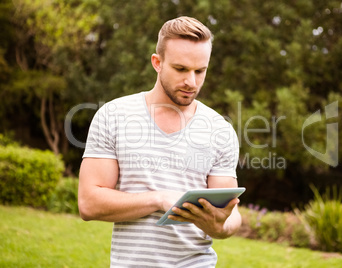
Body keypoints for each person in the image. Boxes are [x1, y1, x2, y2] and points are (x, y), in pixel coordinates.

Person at [78, 16, 241, 267]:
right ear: (157, 62)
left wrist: (220, 225)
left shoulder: (220, 130)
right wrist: (159, 199)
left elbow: (231, 216)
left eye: (200, 71)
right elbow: (89, 203)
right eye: (181, 69)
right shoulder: (114, 116)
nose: (192, 82)